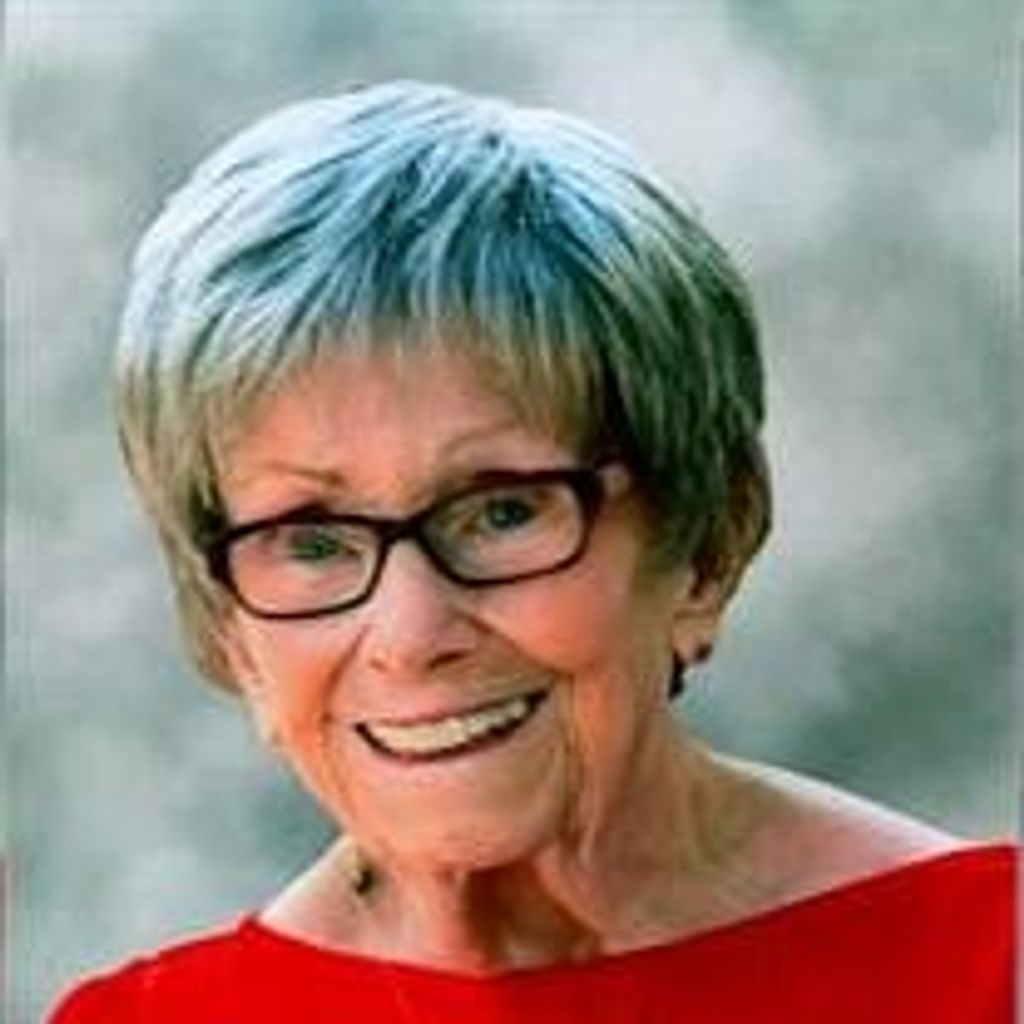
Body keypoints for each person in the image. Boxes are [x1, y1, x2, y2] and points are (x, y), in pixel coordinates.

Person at [50, 80, 1013, 1023]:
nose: (410, 636)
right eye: (310, 540)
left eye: (501, 512)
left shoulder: (987, 965)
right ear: (231, 629)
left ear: (709, 541)